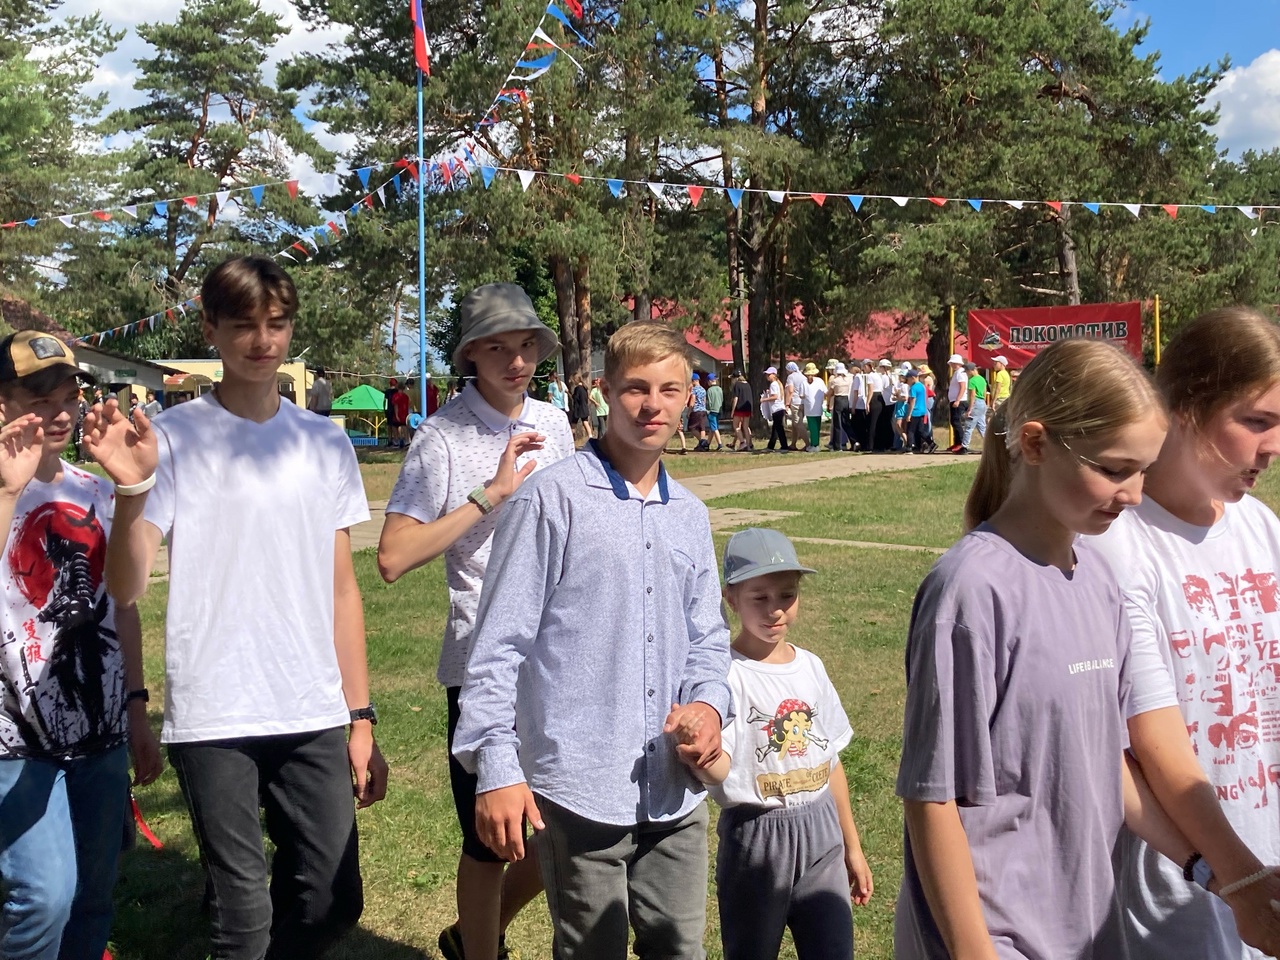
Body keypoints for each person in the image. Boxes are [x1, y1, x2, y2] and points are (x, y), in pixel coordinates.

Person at [84, 255, 388, 960]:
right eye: (244, 324)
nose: (262, 340)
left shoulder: (324, 441)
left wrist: (360, 715)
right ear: (210, 328)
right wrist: (132, 490)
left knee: (332, 899)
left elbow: (342, 587)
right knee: (243, 918)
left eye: (277, 323)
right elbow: (125, 585)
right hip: (216, 711)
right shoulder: (171, 437)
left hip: (310, 706)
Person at [453, 322, 732, 960]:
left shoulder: (689, 514)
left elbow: (708, 637)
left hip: (675, 787)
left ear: (689, 397)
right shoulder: (551, 500)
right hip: (579, 785)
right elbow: (498, 644)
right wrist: (497, 765)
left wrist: (710, 706)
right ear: (605, 391)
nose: (652, 405)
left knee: (680, 949)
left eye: (669, 390)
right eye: (636, 388)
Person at [898, 338, 1182, 959]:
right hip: (997, 937)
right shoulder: (971, 590)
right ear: (1034, 444)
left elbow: (1105, 760)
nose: (1134, 494)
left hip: (1085, 932)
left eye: (1143, 471)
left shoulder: (1099, 580)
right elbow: (933, 797)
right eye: (1114, 469)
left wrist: (1205, 867)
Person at [377, 283, 572, 960]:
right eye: (496, 348)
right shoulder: (441, 436)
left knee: (561, 826)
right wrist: (489, 495)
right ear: (470, 355)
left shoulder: (555, 422)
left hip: (559, 658)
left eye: (526, 346)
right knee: (490, 842)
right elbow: (393, 557)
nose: (515, 362)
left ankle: (470, 938)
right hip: (484, 661)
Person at [1090, 307, 1280, 960]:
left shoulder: (1262, 528)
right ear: (1187, 408)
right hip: (1181, 896)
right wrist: (1238, 876)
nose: (1273, 447)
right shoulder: (1119, 544)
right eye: (1256, 422)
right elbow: (1150, 740)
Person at [0, 332, 162, 960]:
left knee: (93, 897)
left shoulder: (92, 491)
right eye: (39, 399)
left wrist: (132, 489)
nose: (59, 412)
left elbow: (125, 597)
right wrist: (7, 492)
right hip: (14, 736)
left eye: (68, 396)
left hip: (98, 725)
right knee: (43, 898)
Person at [687, 527, 872, 960]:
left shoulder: (811, 667)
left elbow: (830, 761)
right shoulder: (725, 676)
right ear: (731, 599)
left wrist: (852, 847)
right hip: (756, 838)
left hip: (822, 831)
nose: (775, 610)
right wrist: (701, 755)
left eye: (787, 595)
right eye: (760, 597)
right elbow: (719, 770)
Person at [945, 354, 969, 454]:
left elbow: (963, 387)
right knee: (953, 421)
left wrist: (958, 400)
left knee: (956, 421)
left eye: (953, 363)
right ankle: (956, 442)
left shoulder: (960, 373)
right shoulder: (957, 373)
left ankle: (961, 443)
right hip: (954, 400)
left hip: (959, 400)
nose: (952, 365)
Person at [827, 362, 853, 451]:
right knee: (846, 422)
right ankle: (854, 441)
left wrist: (828, 403)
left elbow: (830, 393)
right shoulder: (848, 380)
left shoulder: (835, 381)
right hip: (846, 400)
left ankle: (837, 446)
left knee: (837, 424)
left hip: (838, 399)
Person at [761, 366, 788, 452]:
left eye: (769, 374)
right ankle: (771, 446)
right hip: (778, 409)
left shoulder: (773, 384)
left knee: (779, 429)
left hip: (777, 409)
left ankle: (784, 446)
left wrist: (764, 399)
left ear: (774, 375)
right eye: (767, 374)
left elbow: (775, 397)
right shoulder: (776, 384)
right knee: (775, 429)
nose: (767, 376)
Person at [801, 362, 825, 452]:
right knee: (814, 427)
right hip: (813, 407)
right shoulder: (819, 381)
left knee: (814, 427)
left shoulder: (806, 382)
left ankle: (815, 445)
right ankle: (815, 444)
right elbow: (825, 391)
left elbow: (801, 395)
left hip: (812, 407)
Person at [963, 361, 988, 451]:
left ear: (971, 370)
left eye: (967, 371)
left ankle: (965, 446)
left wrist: (970, 409)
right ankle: (989, 444)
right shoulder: (982, 379)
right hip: (982, 402)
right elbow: (985, 392)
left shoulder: (972, 380)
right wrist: (984, 402)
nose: (966, 374)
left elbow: (972, 395)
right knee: (982, 427)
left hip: (976, 403)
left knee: (969, 426)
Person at [867, 360, 890, 453]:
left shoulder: (870, 376)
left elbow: (870, 390)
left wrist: (867, 402)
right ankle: (881, 444)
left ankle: (871, 445)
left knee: (873, 423)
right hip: (880, 397)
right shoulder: (879, 375)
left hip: (875, 397)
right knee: (880, 422)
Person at [904, 369, 928, 454]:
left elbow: (912, 401)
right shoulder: (922, 386)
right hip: (922, 410)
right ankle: (926, 444)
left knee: (910, 430)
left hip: (915, 411)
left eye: (908, 379)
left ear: (913, 378)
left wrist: (909, 414)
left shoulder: (913, 388)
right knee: (920, 430)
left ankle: (909, 447)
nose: (907, 381)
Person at [784, 361, 807, 450]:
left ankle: (808, 444)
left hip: (795, 402)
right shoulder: (803, 377)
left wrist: (787, 403)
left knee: (798, 423)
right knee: (794, 424)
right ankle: (793, 444)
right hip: (803, 402)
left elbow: (790, 390)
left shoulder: (791, 377)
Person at [731, 370, 754, 452]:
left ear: (735, 378)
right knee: (745, 426)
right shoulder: (747, 384)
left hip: (739, 408)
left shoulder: (737, 385)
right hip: (747, 408)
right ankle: (748, 445)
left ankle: (742, 442)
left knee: (736, 426)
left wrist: (733, 410)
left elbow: (736, 398)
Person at [851, 361, 871, 452]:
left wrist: (853, 406)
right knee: (863, 426)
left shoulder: (857, 378)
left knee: (858, 427)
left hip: (858, 405)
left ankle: (861, 444)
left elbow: (856, 392)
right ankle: (864, 444)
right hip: (863, 403)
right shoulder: (863, 377)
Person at [689, 373, 710, 451]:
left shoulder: (694, 389)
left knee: (692, 428)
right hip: (703, 410)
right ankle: (702, 445)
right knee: (702, 428)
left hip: (696, 411)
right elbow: (704, 400)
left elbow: (692, 400)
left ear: (694, 381)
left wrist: (689, 411)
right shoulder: (703, 389)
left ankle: (702, 442)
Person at [569, 374, 592, 444]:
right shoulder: (584, 388)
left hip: (578, 409)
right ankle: (590, 436)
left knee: (573, 425)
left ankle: (571, 439)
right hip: (584, 407)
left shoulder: (577, 388)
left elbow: (575, 398)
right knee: (585, 422)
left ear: (575, 380)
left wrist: (570, 394)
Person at [705, 372, 724, 451]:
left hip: (712, 411)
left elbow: (708, 402)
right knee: (712, 428)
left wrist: (707, 410)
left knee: (714, 428)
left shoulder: (709, 390)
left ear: (709, 381)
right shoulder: (720, 389)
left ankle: (720, 444)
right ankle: (707, 444)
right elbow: (722, 400)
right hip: (718, 410)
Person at [391, 382, 411, 449]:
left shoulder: (395, 396)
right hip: (404, 414)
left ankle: (396, 441)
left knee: (395, 427)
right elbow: (409, 404)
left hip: (398, 413)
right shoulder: (406, 396)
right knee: (404, 427)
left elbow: (395, 406)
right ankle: (407, 441)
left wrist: (396, 415)